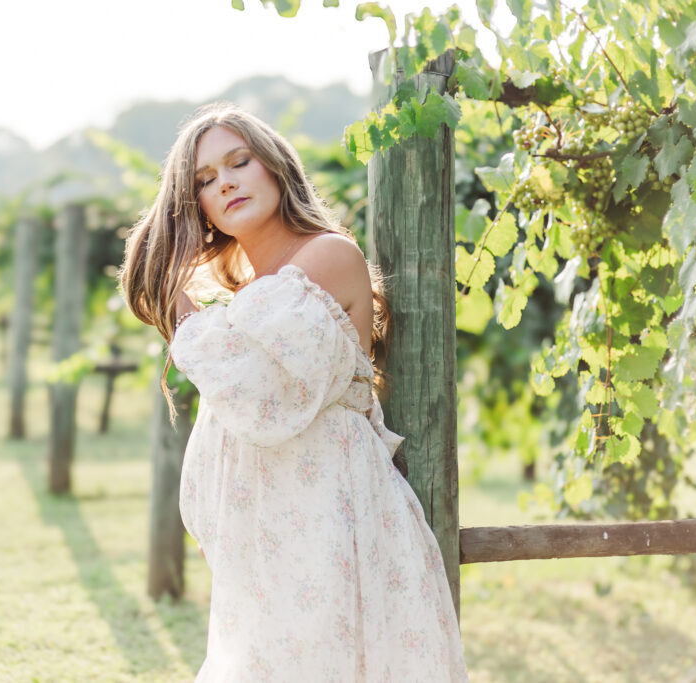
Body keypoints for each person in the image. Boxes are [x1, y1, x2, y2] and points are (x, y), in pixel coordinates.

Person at [119, 102, 469, 681]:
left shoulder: (325, 258)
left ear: (276, 166)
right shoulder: (244, 301)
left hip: (329, 516)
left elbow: (258, 396)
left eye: (239, 162)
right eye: (204, 181)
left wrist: (188, 314)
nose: (225, 182)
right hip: (264, 532)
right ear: (197, 208)